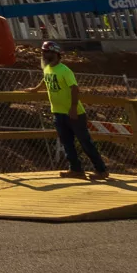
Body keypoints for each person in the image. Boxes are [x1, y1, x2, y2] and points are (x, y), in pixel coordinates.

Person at [39, 40, 108, 181]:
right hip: (58, 112)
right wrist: (34, 89)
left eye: (47, 52)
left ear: (56, 54)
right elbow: (45, 81)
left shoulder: (65, 70)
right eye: (44, 51)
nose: (44, 54)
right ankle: (76, 169)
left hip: (73, 113)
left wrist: (73, 108)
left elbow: (74, 89)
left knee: (85, 142)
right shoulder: (47, 69)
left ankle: (101, 170)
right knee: (67, 143)